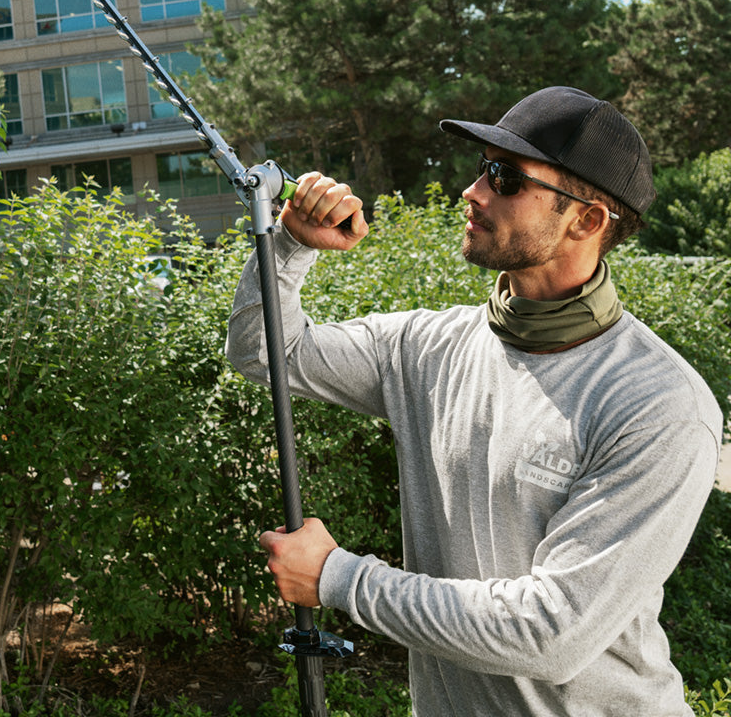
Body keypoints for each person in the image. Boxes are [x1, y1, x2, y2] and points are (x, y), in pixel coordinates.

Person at [225, 87, 723, 717]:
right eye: (482, 167)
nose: (473, 191)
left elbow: (552, 633)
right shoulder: (426, 348)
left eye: (505, 177)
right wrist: (289, 246)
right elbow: (265, 352)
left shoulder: (658, 404)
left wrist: (338, 578)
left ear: (588, 221)